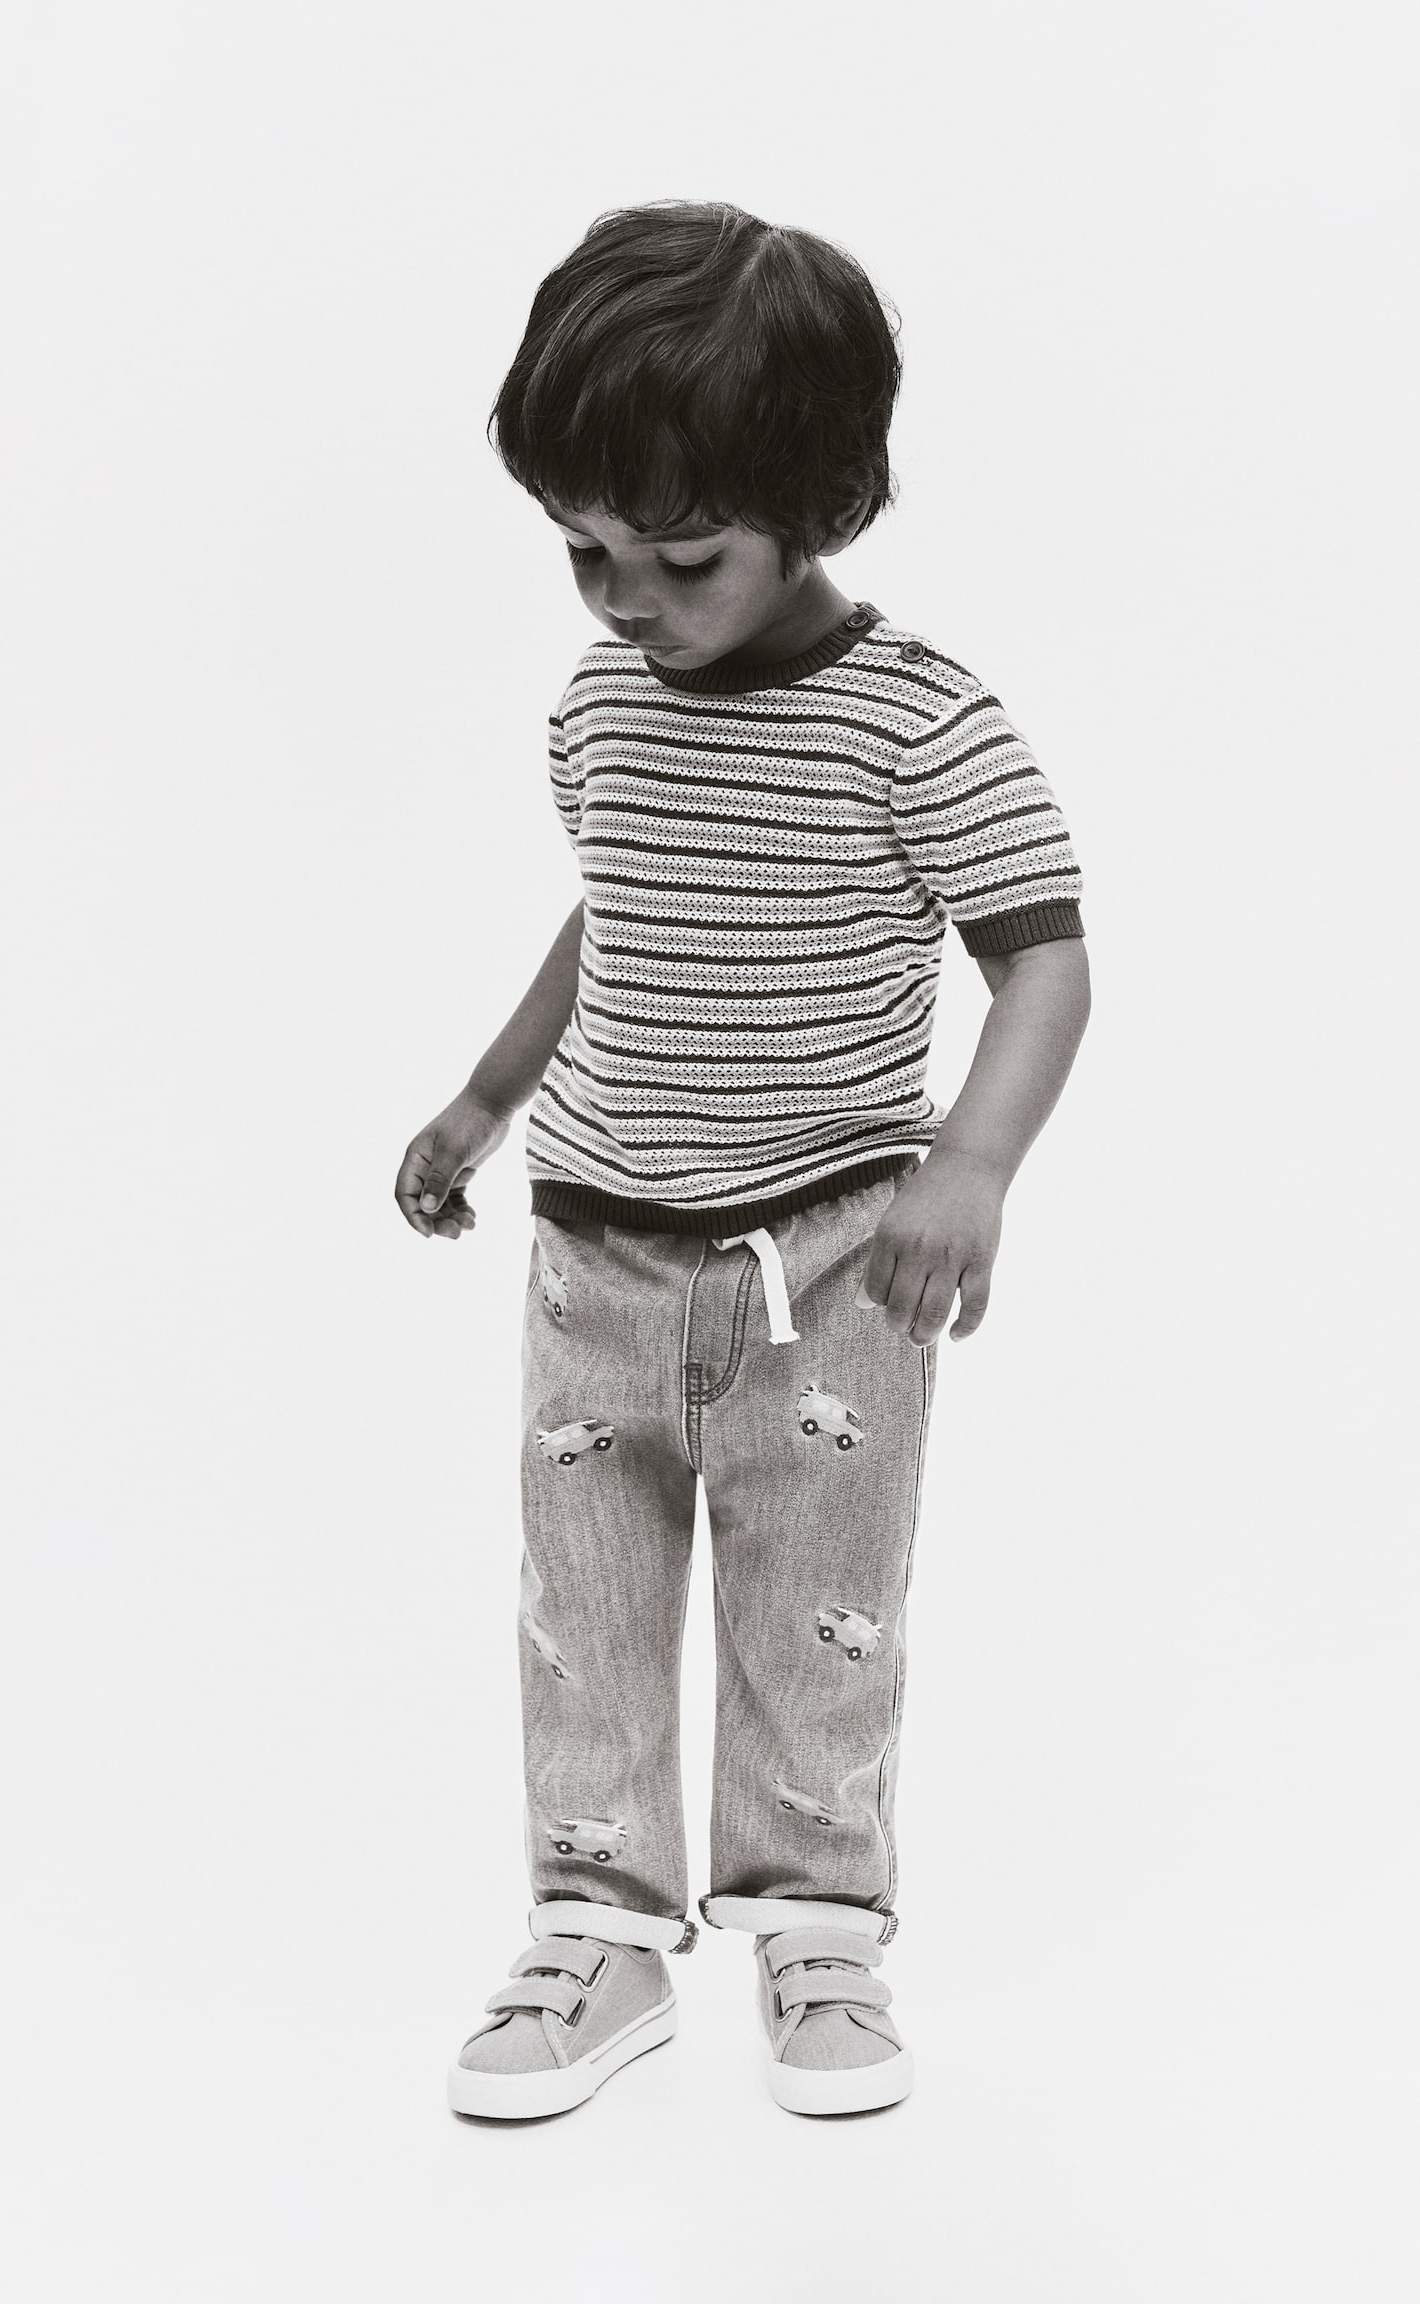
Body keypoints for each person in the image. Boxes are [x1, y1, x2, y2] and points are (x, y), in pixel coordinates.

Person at [396, 201, 1091, 2120]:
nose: (621, 598)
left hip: (836, 1264)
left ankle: (818, 1936)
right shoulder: (599, 706)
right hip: (598, 1249)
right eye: (583, 551)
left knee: (819, 1609)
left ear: (818, 504)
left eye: (679, 556)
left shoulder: (920, 723)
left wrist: (972, 1166)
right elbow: (612, 912)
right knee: (585, 1604)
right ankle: (597, 1937)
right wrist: (485, 1100)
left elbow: (1043, 956)